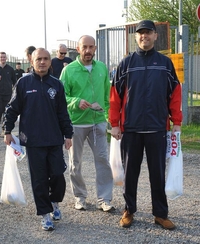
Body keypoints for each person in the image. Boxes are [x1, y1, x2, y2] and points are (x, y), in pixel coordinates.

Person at [109, 20, 182, 230]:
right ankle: (129, 210)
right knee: (130, 174)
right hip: (131, 129)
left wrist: (176, 121)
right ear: (136, 37)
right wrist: (115, 123)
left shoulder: (165, 63)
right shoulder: (126, 64)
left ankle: (160, 214)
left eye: (148, 33)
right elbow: (115, 96)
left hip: (157, 128)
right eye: (141, 33)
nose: (144, 36)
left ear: (155, 36)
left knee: (157, 174)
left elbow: (175, 95)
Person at [3, 48, 73, 231]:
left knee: (58, 175)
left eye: (45, 59)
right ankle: (45, 214)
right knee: (39, 179)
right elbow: (12, 109)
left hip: (54, 139)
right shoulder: (23, 83)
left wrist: (68, 134)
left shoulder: (56, 84)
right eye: (38, 59)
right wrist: (7, 130)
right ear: (32, 61)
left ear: (50, 62)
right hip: (33, 141)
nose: (42, 62)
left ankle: (54, 201)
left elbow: (62, 112)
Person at [60, 35, 114, 212]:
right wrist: (76, 101)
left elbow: (107, 95)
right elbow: (61, 97)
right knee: (75, 163)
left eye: (91, 47)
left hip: (97, 122)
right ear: (78, 48)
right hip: (76, 123)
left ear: (95, 48)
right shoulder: (69, 70)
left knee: (103, 161)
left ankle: (104, 199)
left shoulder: (102, 68)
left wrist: (108, 118)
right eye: (85, 47)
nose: (88, 51)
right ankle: (80, 197)